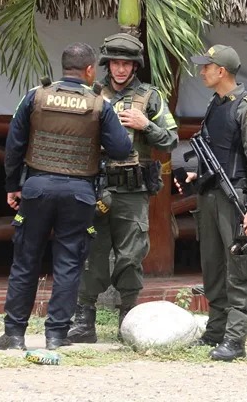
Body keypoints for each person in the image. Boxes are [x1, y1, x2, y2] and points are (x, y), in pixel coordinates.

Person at [0, 43, 132, 352]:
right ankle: (55, 336)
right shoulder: (99, 104)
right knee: (68, 264)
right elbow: (123, 149)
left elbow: (14, 144)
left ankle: (13, 335)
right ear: (90, 70)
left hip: (37, 188)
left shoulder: (36, 96)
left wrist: (12, 186)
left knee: (25, 261)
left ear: (64, 67)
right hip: (80, 194)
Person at [67, 33, 178, 344]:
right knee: (92, 255)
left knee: (131, 256)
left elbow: (171, 139)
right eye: (115, 63)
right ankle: (84, 321)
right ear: (107, 64)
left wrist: (146, 125)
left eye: (126, 64)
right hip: (95, 188)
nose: (119, 69)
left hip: (132, 193)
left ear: (134, 66)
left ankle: (127, 321)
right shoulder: (91, 94)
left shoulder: (150, 96)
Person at [177, 45, 247, 361]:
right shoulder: (215, 105)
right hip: (210, 196)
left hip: (236, 201)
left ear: (222, 71)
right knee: (213, 267)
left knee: (239, 270)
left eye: (207, 67)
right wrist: (196, 174)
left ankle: (235, 340)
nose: (202, 71)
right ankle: (216, 331)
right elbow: (216, 151)